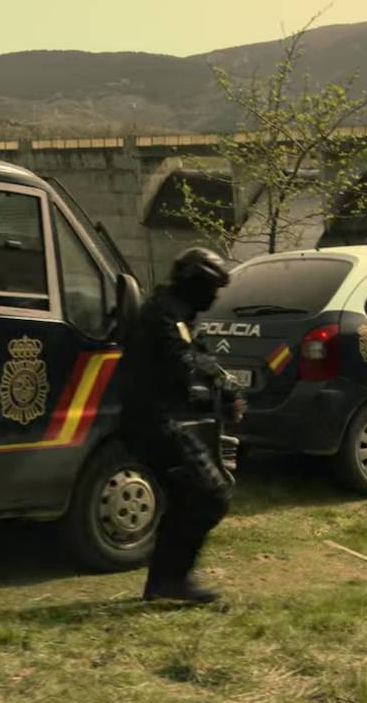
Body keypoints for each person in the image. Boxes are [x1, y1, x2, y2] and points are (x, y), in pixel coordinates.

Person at [119, 247, 245, 604]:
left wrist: (225, 388)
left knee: (191, 499)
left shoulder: (178, 313)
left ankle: (165, 583)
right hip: (153, 423)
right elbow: (184, 360)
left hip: (159, 420)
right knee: (210, 495)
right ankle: (170, 582)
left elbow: (201, 356)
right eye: (212, 287)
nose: (215, 296)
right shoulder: (163, 316)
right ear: (196, 284)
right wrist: (218, 388)